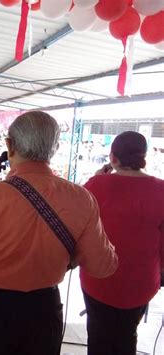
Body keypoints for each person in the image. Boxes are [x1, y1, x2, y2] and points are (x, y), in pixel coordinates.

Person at [0, 111, 118, 355]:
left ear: (10, 146)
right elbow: (103, 266)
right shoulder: (81, 198)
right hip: (43, 309)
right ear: (55, 148)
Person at [79, 131, 164, 355]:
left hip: (99, 280)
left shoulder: (96, 185)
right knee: (127, 332)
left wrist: (97, 179)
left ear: (113, 157)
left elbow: (79, 225)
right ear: (144, 157)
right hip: (141, 284)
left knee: (98, 334)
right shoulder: (161, 190)